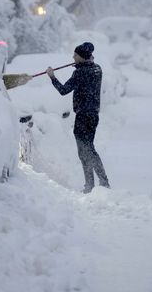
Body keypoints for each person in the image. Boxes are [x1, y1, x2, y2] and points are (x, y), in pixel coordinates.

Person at [47, 42, 110, 193]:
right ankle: (100, 182)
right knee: (89, 148)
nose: (73, 57)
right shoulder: (97, 69)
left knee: (84, 151)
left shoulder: (81, 73)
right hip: (93, 115)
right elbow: (86, 75)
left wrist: (52, 77)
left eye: (75, 55)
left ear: (81, 57)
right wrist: (78, 65)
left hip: (82, 116)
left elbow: (63, 90)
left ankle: (92, 184)